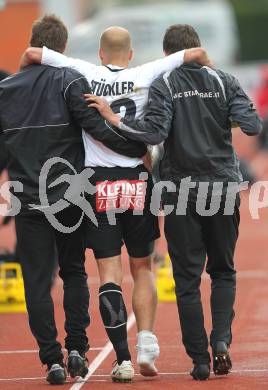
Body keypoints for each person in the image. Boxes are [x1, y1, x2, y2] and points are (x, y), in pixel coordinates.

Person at [22, 25, 213, 381]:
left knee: (109, 275)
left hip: (98, 184)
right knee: (143, 268)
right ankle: (146, 343)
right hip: (137, 181)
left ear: (99, 54)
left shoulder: (85, 71)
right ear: (129, 55)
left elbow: (34, 54)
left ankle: (122, 360)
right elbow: (197, 55)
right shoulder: (146, 72)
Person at [88, 24, 262, 381]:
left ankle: (199, 359)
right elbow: (253, 126)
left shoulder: (165, 84)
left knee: (186, 280)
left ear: (168, 57)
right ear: (196, 49)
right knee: (224, 271)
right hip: (223, 188)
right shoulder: (224, 80)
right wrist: (221, 112)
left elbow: (152, 134)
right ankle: (223, 342)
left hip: (181, 191)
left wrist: (112, 117)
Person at [0, 15, 147, 385]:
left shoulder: (8, 89)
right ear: (61, 48)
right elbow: (98, 131)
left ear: (35, 44)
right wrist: (138, 146)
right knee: (74, 272)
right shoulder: (70, 82)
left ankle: (51, 359)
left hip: (27, 200)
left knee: (36, 282)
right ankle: (77, 349)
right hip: (70, 197)